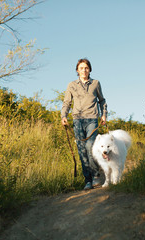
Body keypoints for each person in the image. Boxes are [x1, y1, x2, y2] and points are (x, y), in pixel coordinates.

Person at [61, 58, 107, 190]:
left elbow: (102, 100)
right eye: (81, 68)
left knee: (90, 146)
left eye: (86, 68)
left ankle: (96, 175)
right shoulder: (71, 85)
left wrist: (104, 114)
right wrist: (63, 116)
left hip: (92, 119)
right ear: (77, 70)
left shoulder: (96, 83)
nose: (84, 70)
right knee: (81, 150)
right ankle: (88, 180)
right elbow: (67, 103)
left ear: (89, 69)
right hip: (77, 120)